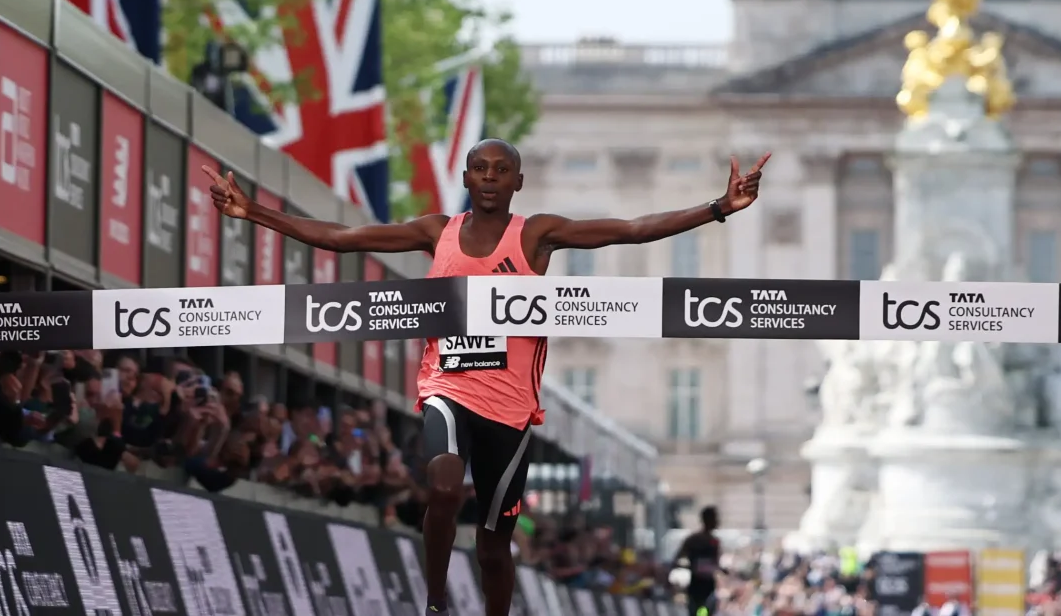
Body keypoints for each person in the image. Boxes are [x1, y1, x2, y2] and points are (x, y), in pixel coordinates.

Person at [204, 139, 769, 616]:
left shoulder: (537, 235)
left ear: (519, 181)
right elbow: (343, 238)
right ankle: (434, 603)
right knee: (445, 488)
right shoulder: (436, 231)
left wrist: (718, 208)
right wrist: (253, 212)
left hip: (512, 411)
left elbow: (630, 229)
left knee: (495, 546)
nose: (490, 178)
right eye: (480, 168)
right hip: (446, 389)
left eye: (502, 170)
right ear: (468, 178)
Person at [675, 506, 724, 616]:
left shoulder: (714, 542)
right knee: (700, 612)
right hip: (697, 587)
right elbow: (679, 558)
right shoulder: (694, 540)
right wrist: (690, 567)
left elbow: (715, 564)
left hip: (708, 587)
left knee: (705, 611)